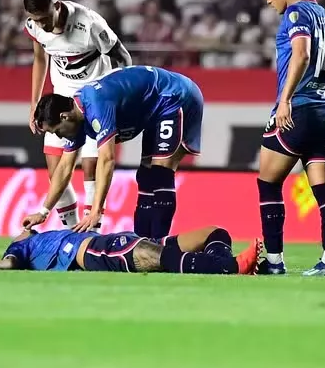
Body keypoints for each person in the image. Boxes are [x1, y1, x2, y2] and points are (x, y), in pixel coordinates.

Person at [23, 65, 203, 239]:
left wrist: (96, 211)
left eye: (56, 131)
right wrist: (43, 212)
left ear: (64, 116)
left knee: (160, 173)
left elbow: (107, 159)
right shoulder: (77, 118)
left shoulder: (97, 105)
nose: (59, 136)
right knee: (145, 176)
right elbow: (64, 167)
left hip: (175, 96)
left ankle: (160, 244)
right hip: (154, 109)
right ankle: (143, 243)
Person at [256, 0, 325, 277]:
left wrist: (286, 100)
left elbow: (301, 52)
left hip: (300, 109)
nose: (268, 0)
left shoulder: (296, 13)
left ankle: (275, 262)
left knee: (268, 182)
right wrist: (322, 91)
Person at [23, 0, 132, 229]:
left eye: (44, 19)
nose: (42, 26)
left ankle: (92, 232)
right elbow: (40, 59)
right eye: (35, 20)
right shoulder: (35, 26)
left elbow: (123, 56)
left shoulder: (89, 24)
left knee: (92, 165)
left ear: (57, 6)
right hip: (61, 99)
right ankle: (70, 232)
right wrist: (34, 104)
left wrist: (119, 98)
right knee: (56, 170)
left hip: (94, 99)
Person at [0, 226, 262, 275]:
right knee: (155, 256)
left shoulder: (41, 233)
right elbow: (10, 264)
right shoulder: (19, 246)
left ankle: (220, 263)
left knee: (215, 233)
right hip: (89, 253)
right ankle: (230, 266)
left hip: (110, 240)